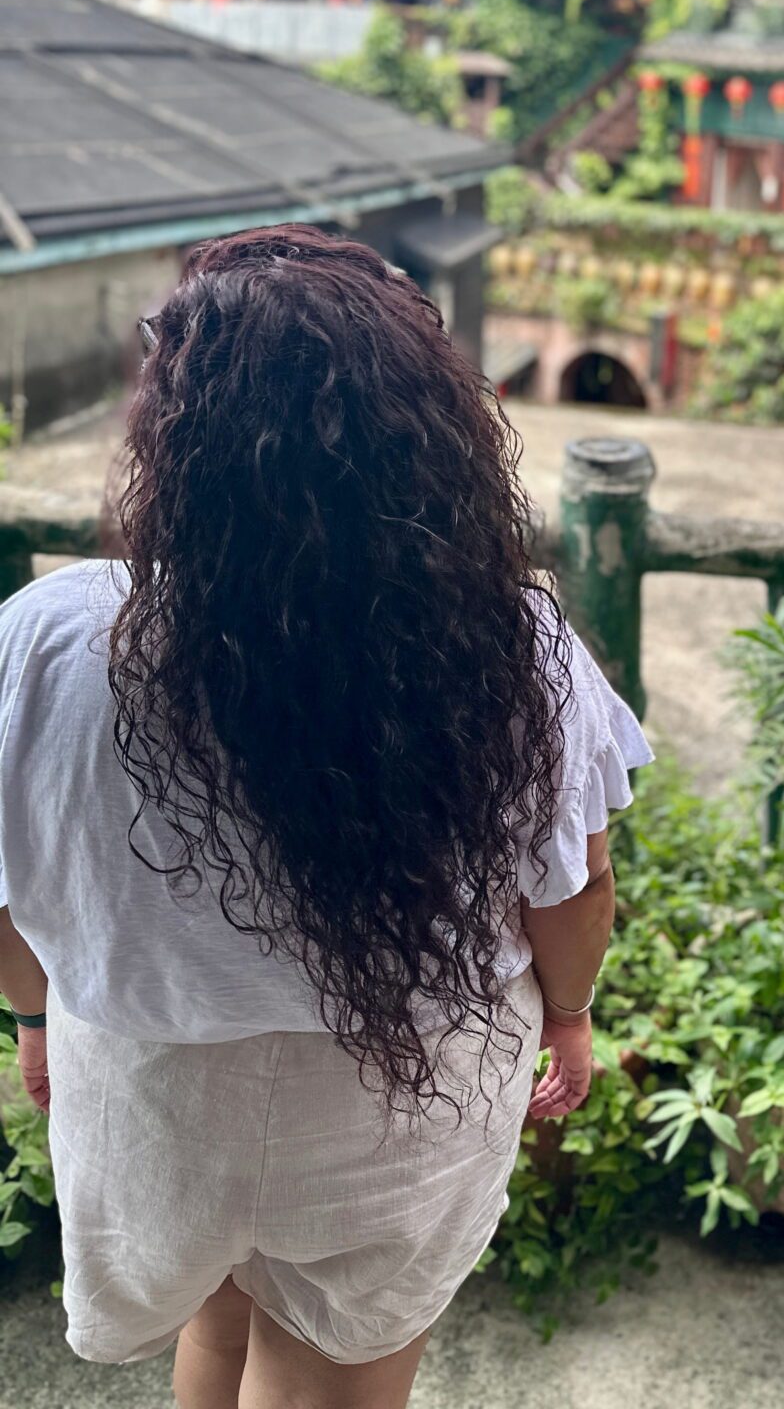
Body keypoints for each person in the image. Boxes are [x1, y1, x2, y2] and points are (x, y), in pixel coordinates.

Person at [0, 226, 649, 1409]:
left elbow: (6, 886)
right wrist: (570, 1020)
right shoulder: (516, 648)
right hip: (400, 1111)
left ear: (173, 437)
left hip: (155, 1106)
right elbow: (574, 890)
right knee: (324, 1379)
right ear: (433, 439)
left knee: (218, 1313)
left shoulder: (47, 635)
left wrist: (35, 1018)